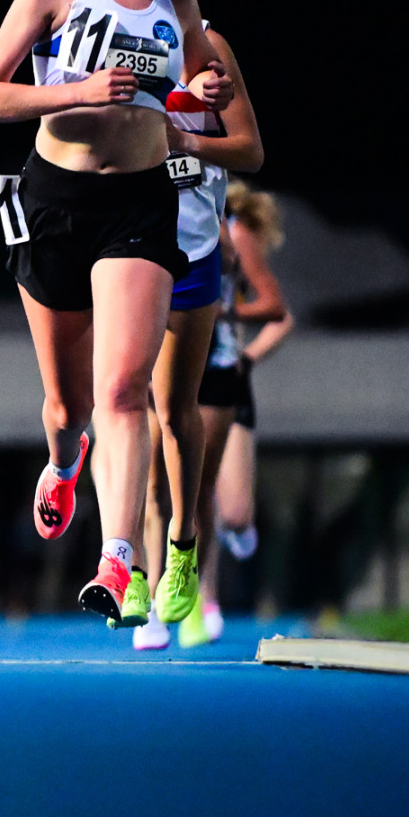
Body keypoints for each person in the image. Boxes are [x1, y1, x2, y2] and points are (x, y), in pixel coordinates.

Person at [0, 0, 231, 628]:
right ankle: (62, 461)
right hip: (54, 200)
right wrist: (77, 91)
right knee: (67, 405)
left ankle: (118, 559)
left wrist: (203, 91)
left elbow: (190, 100)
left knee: (122, 390)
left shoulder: (176, 4)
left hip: (139, 206)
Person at [99, 0, 265, 645]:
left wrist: (187, 136)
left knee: (174, 412)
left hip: (192, 248)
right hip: (121, 243)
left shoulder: (207, 45)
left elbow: (251, 151)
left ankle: (184, 545)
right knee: (121, 402)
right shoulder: (106, 35)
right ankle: (128, 566)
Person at [154, 179, 291, 647]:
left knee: (226, 507)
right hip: (173, 367)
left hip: (222, 370)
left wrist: (225, 322)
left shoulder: (233, 231)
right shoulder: (156, 216)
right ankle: (194, 599)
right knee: (180, 492)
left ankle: (233, 534)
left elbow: (276, 309)